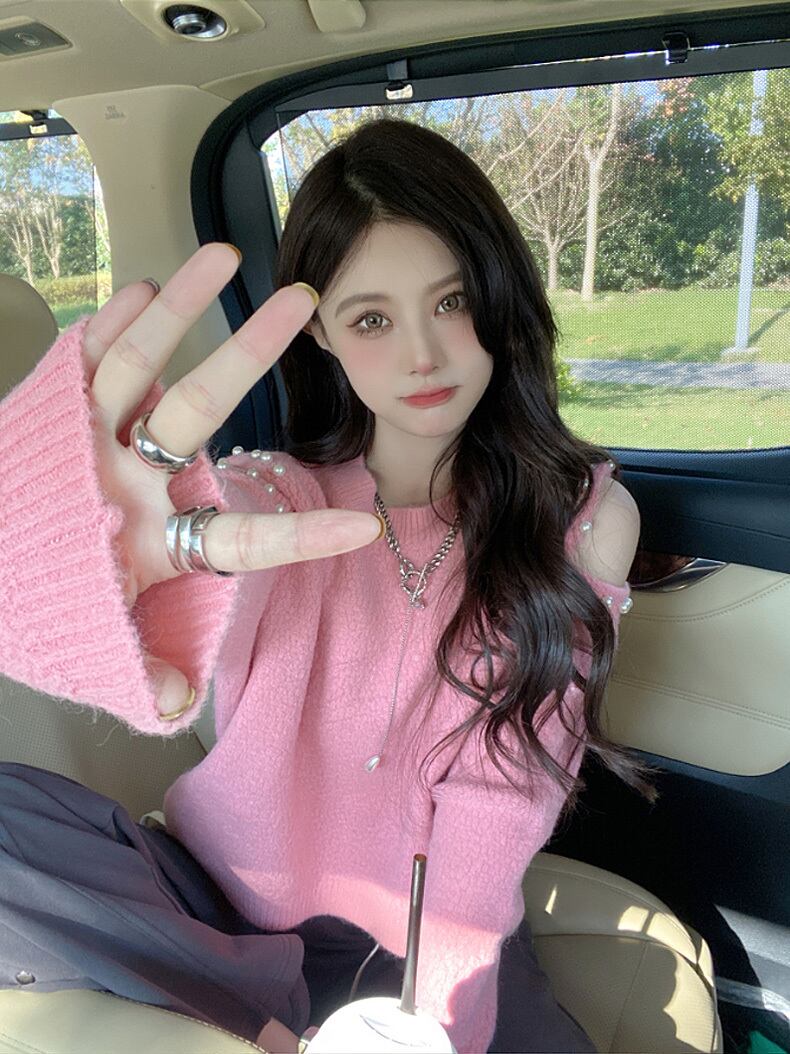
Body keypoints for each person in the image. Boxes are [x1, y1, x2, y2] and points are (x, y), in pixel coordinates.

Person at [0, 116, 659, 1053]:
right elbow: (177, 589)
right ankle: (259, 1021)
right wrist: (63, 547)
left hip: (426, 930)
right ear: (320, 331)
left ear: (499, 292)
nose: (424, 354)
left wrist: (441, 1021)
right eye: (372, 319)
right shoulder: (271, 502)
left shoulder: (582, 522)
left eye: (452, 300)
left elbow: (500, 799)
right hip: (218, 908)